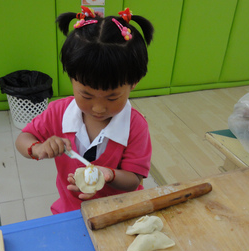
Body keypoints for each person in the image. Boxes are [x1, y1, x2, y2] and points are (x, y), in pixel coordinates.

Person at [15, 6, 154, 214]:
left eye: (112, 97)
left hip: (120, 213)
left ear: (134, 82)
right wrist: (38, 148)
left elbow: (134, 180)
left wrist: (109, 175)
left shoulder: (135, 126)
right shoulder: (58, 112)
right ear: (72, 79)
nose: (98, 108)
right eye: (86, 95)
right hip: (71, 211)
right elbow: (23, 138)